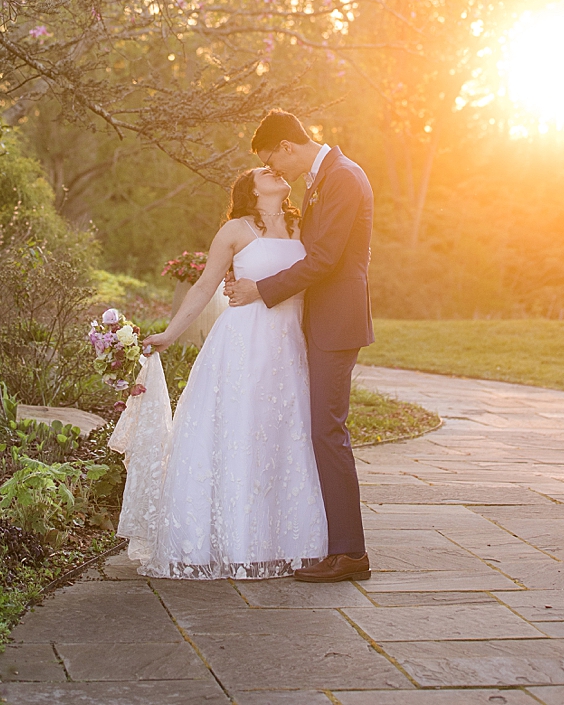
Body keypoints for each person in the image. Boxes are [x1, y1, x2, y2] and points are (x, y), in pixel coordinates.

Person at [113, 166, 327, 579]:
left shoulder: (303, 224)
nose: (276, 172)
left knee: (286, 435)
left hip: (289, 345)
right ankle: (232, 540)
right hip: (243, 344)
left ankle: (287, 542)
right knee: (240, 434)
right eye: (266, 170)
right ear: (250, 189)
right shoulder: (234, 230)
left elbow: (316, 272)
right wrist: (171, 334)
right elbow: (205, 285)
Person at [224, 108, 375, 584]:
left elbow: (326, 258)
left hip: (337, 322)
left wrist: (261, 290)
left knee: (328, 431)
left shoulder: (343, 178)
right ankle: (335, 545)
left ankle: (350, 553)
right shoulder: (323, 178)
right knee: (321, 430)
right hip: (321, 320)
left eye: (275, 162)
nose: (277, 173)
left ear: (287, 147)